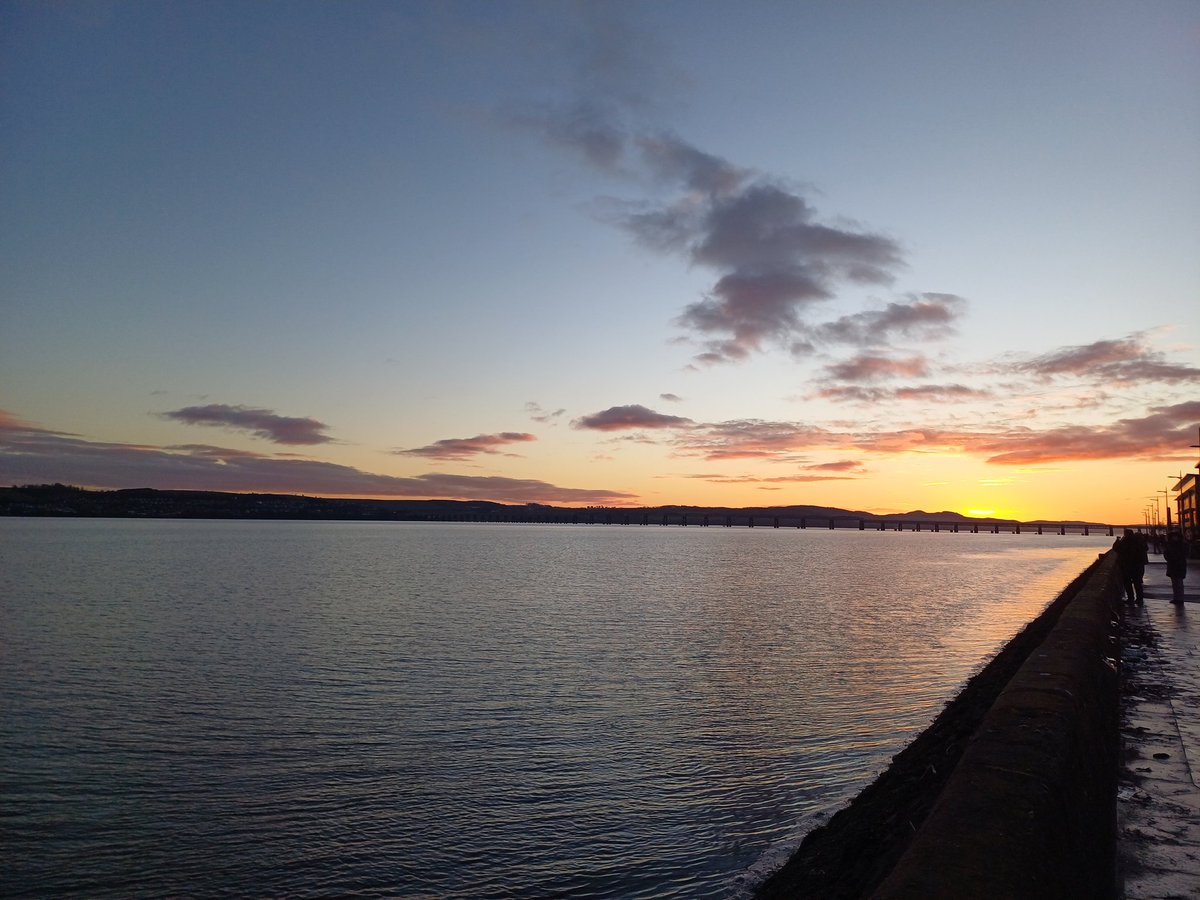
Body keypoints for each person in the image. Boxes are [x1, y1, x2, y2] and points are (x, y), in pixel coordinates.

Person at [1115, 528, 1147, 604]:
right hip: (1138, 566)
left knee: (1128, 583)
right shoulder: (1138, 542)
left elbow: (1116, 549)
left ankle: (1131, 598)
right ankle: (1139, 598)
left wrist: (1117, 541)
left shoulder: (1125, 541)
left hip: (1128, 565)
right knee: (1137, 583)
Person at [1163, 529, 1187, 605]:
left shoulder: (1180, 545)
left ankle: (1179, 599)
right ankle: (1177, 598)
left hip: (1178, 566)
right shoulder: (1172, 545)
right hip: (1174, 566)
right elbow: (1167, 555)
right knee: (1175, 583)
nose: (1175, 538)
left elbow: (1181, 555)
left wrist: (1171, 557)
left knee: (1178, 583)